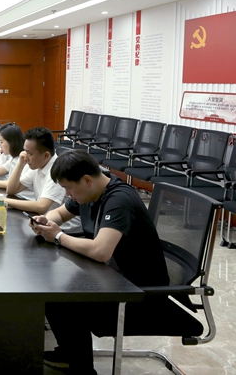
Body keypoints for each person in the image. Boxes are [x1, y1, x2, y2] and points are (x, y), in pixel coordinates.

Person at [29, 150, 170, 375]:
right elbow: (61, 214)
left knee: (65, 300)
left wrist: (58, 236)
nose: (67, 194)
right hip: (114, 277)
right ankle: (70, 353)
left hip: (139, 292)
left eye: (68, 188)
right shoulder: (91, 191)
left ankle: (82, 370)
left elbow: (101, 251)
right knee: (53, 290)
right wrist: (44, 221)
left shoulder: (118, 199)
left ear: (87, 180)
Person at [0, 127, 79, 231]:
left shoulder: (57, 169)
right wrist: (20, 164)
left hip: (65, 229)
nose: (25, 156)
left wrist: (3, 200)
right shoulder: (38, 165)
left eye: (30, 153)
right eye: (25, 151)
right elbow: (11, 190)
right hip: (45, 223)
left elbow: (41, 206)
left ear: (46, 156)